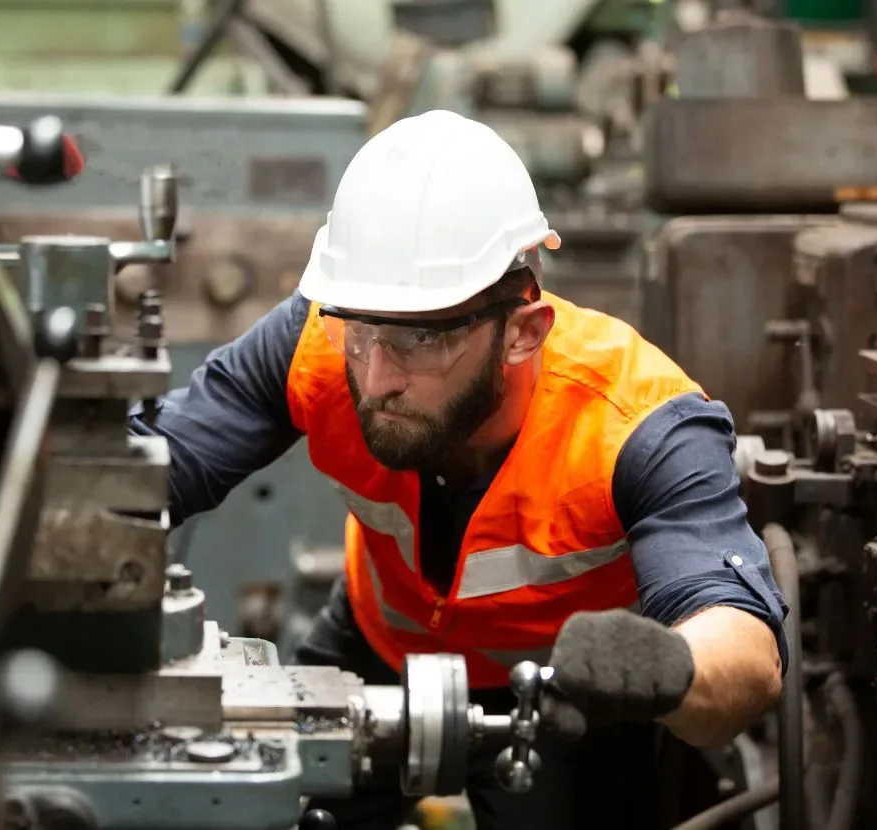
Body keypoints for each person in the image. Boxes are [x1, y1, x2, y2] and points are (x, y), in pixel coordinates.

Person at [131, 110, 787, 830]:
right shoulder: (317, 341)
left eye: (422, 339)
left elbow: (744, 652)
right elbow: (150, 468)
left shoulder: (639, 425)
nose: (378, 376)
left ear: (523, 332)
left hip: (571, 698)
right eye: (363, 330)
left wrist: (665, 671)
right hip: (376, 649)